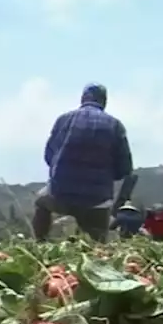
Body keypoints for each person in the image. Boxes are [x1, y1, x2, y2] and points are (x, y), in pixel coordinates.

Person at [33, 83, 134, 242]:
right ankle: (98, 251)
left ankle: (40, 241)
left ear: (82, 98)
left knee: (41, 202)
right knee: (98, 241)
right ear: (104, 101)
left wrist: (61, 173)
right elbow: (125, 168)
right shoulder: (115, 126)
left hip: (61, 194)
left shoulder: (64, 120)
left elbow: (49, 155)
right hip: (97, 199)